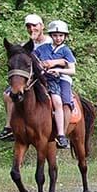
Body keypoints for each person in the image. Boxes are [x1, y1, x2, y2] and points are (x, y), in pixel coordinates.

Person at [0, 14, 52, 141]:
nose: (32, 29)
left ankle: (56, 129)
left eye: (34, 25)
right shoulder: (25, 45)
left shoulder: (51, 42)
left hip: (48, 77)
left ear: (42, 26)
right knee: (7, 95)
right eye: (29, 26)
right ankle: (9, 126)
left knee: (55, 99)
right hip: (28, 80)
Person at [34, 20, 76, 149]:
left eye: (61, 35)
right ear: (51, 36)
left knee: (62, 102)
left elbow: (72, 70)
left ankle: (61, 134)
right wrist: (42, 65)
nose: (58, 38)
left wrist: (58, 69)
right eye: (55, 35)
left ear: (65, 37)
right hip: (42, 78)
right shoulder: (42, 48)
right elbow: (33, 61)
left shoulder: (66, 51)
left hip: (60, 79)